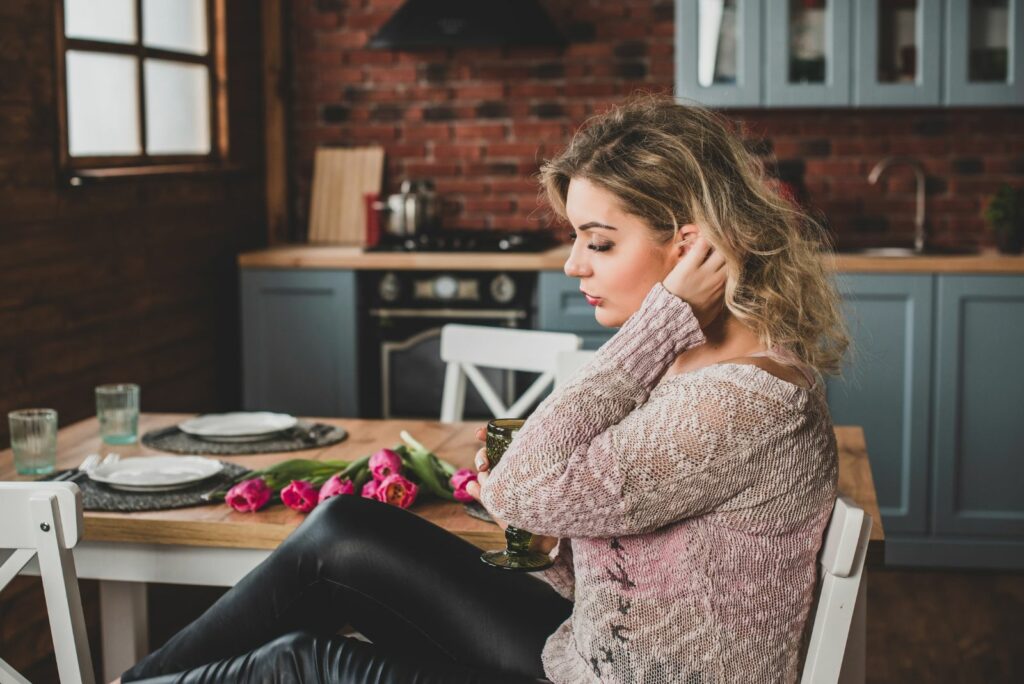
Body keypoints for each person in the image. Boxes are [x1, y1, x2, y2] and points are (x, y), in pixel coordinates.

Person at [118, 95, 847, 684]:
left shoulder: (743, 402)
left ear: (689, 247)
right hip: (590, 655)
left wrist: (652, 329)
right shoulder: (707, 367)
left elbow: (527, 486)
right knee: (343, 534)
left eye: (598, 241)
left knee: (299, 661)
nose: (573, 266)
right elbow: (603, 537)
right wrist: (548, 506)